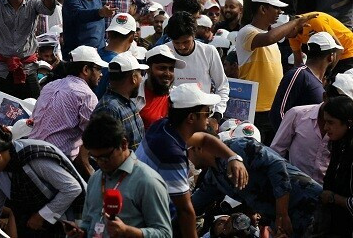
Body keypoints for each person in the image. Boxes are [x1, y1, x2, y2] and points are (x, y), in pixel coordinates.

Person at [136, 84, 248, 238]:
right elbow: (185, 211)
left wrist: (233, 157)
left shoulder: (162, 127)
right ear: (191, 118)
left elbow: (203, 139)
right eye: (206, 113)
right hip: (148, 223)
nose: (208, 119)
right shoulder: (172, 155)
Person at [189, 131, 322, 238]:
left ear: (198, 148)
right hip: (289, 222)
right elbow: (192, 205)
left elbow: (276, 166)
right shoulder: (213, 177)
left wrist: (282, 214)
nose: (185, 158)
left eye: (186, 152)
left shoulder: (237, 147)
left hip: (308, 203)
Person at [0, 125, 86, 238]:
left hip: (67, 224)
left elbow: (72, 188)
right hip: (32, 228)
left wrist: (42, 215)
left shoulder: (34, 157)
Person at [68, 113, 171, 238]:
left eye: (105, 157)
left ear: (123, 144)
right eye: (95, 158)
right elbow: (88, 221)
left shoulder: (148, 182)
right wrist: (80, 232)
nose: (100, 163)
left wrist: (128, 231)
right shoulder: (96, 178)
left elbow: (165, 234)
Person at [237, 0, 317, 143]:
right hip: (256, 110)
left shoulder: (269, 35)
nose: (280, 11)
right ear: (262, 9)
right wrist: (294, 22)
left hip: (273, 108)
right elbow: (269, 38)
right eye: (275, 7)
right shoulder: (247, 32)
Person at [28, 45, 105, 167]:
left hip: (29, 153)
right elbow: (95, 137)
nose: (101, 74)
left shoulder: (50, 86)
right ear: (86, 70)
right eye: (99, 69)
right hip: (54, 161)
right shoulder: (86, 95)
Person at [270, 32, 342, 131]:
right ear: (331, 56)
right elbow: (278, 113)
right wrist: (290, 140)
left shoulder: (319, 81)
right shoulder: (299, 74)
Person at [166, 12, 229, 124]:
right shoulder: (164, 52)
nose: (181, 47)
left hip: (202, 117)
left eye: (186, 42)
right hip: (172, 117)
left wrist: (217, 116)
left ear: (194, 35)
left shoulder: (209, 51)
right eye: (176, 43)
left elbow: (222, 86)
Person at [315, 94, 353, 235]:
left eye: (331, 123)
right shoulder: (340, 145)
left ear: (348, 123)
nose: (325, 127)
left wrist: (333, 198)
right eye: (325, 122)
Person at [92, 52, 146, 151]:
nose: (141, 79)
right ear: (134, 78)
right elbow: (106, 152)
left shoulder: (127, 102)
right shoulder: (109, 109)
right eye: (140, 75)